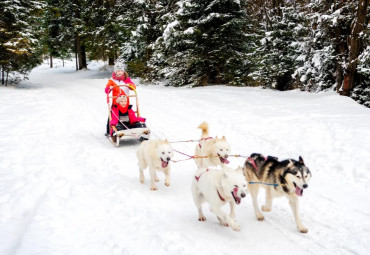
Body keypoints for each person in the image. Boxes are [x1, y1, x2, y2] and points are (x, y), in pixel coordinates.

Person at [105, 61, 136, 135]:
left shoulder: (126, 79)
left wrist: (130, 85)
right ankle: (109, 130)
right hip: (116, 103)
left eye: (121, 70)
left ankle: (130, 127)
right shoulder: (111, 80)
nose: (120, 72)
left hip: (125, 102)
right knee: (113, 115)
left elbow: (134, 87)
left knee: (128, 115)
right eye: (118, 71)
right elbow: (106, 90)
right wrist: (110, 88)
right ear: (115, 71)